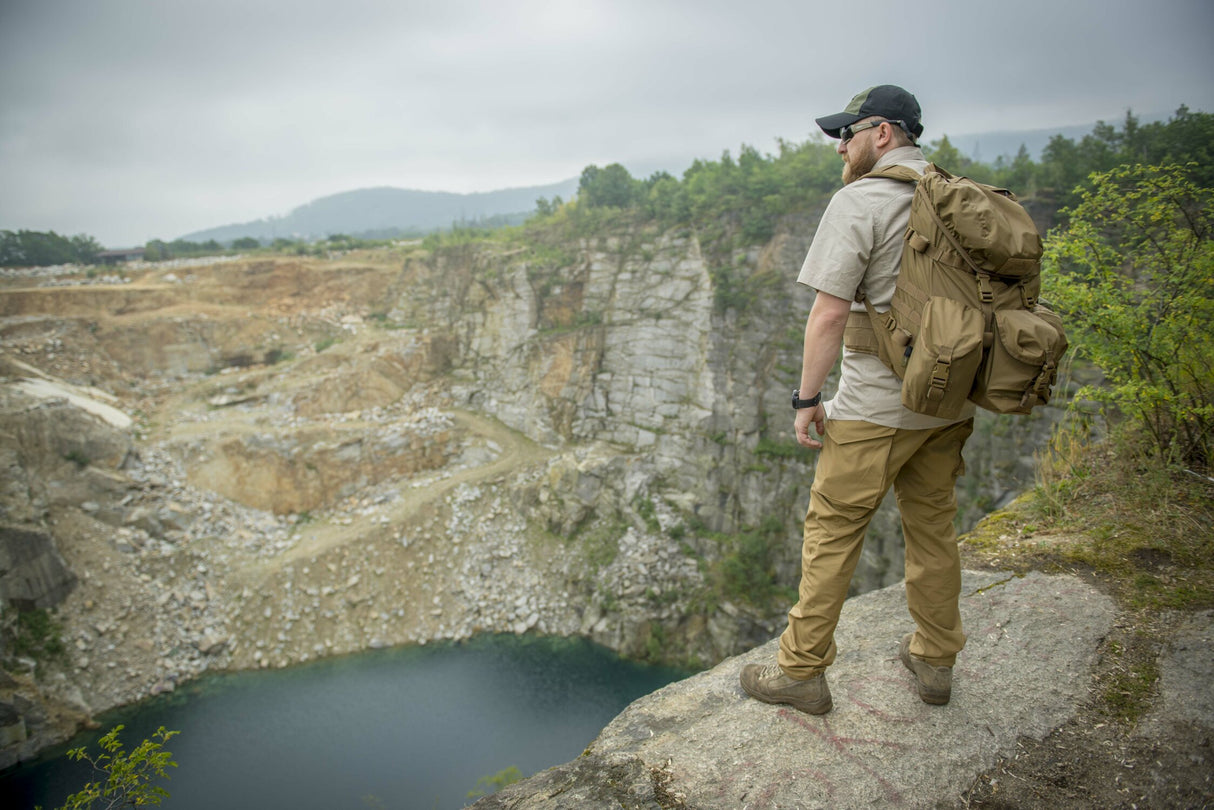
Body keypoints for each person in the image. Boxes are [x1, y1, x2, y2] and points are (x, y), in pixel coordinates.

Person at [739, 85, 973, 714]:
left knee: (832, 532)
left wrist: (806, 398)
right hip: (949, 402)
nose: (840, 147)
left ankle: (800, 672)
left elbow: (829, 314)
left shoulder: (861, 200)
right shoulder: (957, 195)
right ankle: (935, 660)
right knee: (933, 528)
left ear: (883, 133)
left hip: (875, 406)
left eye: (848, 133)